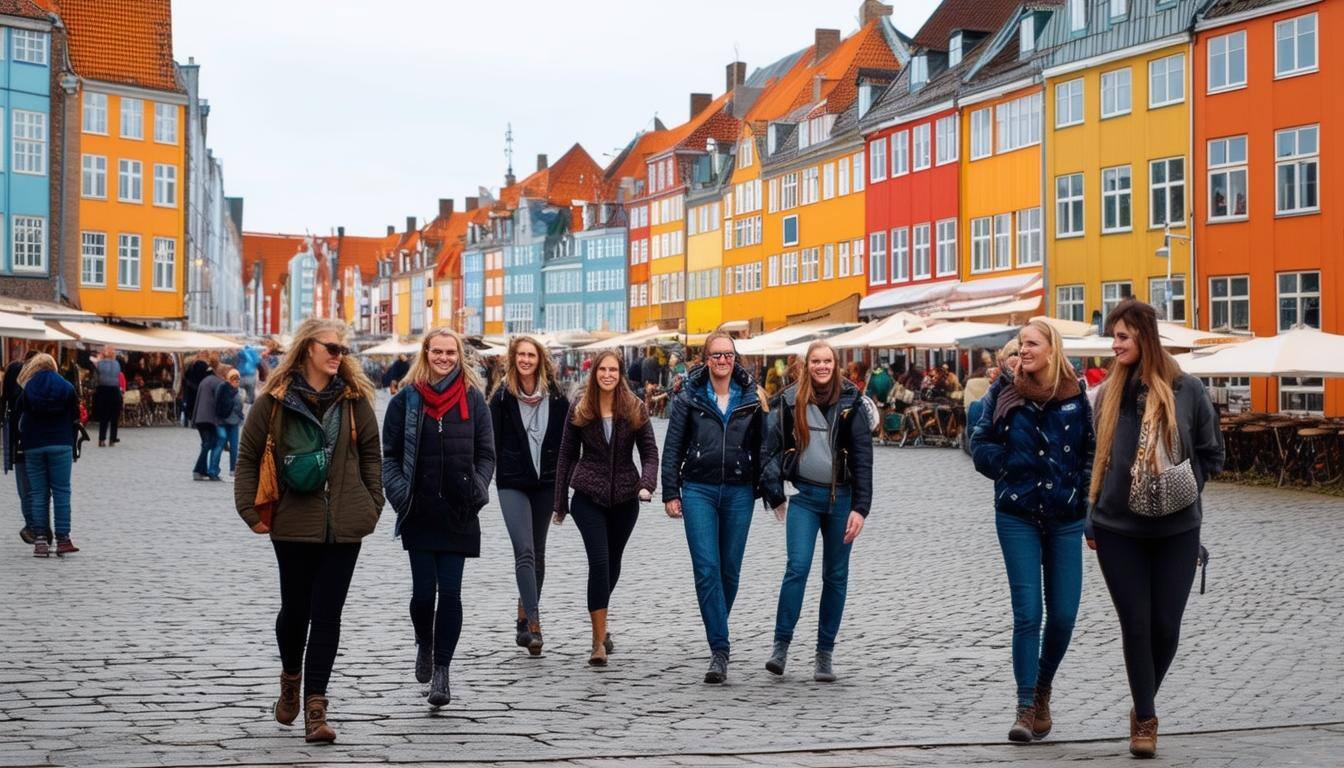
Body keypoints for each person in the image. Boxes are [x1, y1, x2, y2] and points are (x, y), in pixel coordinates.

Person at [234, 318, 383, 744]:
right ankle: (290, 677)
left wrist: (371, 502)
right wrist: (249, 509)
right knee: (296, 610)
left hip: (344, 525)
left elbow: (372, 453)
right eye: (331, 348)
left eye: (343, 350)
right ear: (307, 350)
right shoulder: (275, 401)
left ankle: (316, 706)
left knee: (329, 614)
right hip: (293, 523)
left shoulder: (354, 401)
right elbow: (247, 456)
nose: (339, 356)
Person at [1087, 299, 1224, 759]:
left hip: (1177, 528)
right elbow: (1096, 459)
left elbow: (1212, 452)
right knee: (1137, 626)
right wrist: (1090, 509)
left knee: (1165, 626)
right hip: (1117, 528)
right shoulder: (1109, 393)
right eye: (1114, 336)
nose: (1115, 344)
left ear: (1145, 335)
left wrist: (1181, 486)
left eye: (1122, 336)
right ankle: (1145, 718)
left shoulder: (1188, 389)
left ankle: (1141, 702)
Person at [970, 322, 1094, 743]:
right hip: (1017, 513)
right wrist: (1005, 466)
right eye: (1021, 343)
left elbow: (1091, 450)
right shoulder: (1003, 391)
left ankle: (1043, 686)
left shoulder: (1076, 395)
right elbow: (979, 441)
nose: (1023, 350)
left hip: (1065, 515)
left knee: (1063, 615)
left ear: (1051, 349)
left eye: (1032, 344)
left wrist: (1081, 490)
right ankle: (1025, 706)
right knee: (1028, 614)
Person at [382, 328, 494, 709]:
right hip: (420, 509)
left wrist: (477, 490)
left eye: (451, 352)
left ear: (459, 356)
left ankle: (442, 672)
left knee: (450, 593)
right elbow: (389, 456)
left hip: (459, 510)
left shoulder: (474, 400)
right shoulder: (406, 400)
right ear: (425, 353)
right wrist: (401, 496)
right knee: (421, 594)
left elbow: (486, 453)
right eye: (438, 351)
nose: (444, 358)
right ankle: (424, 642)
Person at [760, 340, 873, 683]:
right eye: (816, 361)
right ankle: (781, 646)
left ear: (835, 365)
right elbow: (770, 447)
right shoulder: (790, 398)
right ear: (806, 365)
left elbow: (864, 457)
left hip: (842, 499)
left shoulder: (851, 401)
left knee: (835, 576)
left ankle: (824, 653)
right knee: (797, 567)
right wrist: (775, 493)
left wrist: (861, 509)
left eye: (827, 361)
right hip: (805, 497)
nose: (822, 366)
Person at [661, 331, 767, 683]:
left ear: (735, 359)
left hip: (738, 490)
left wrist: (769, 489)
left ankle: (716, 625)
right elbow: (673, 444)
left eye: (728, 355)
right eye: (716, 355)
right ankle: (720, 649)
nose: (723, 361)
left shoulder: (751, 396)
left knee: (729, 571)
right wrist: (669, 492)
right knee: (707, 567)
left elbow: (764, 447)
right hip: (698, 490)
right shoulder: (689, 396)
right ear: (705, 359)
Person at [553, 350, 658, 667]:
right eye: (603, 370)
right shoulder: (580, 406)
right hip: (588, 495)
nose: (608, 375)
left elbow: (650, 452)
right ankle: (597, 643)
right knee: (599, 562)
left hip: (626, 498)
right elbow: (566, 455)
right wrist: (560, 503)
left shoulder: (634, 407)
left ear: (620, 373)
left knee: (612, 564)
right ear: (595, 373)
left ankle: (603, 621)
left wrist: (646, 484)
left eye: (613, 370)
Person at [488, 335, 567, 656]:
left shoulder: (558, 398)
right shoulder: (501, 398)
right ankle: (534, 624)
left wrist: (564, 489)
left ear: (540, 359)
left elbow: (565, 445)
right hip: (512, 482)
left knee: (538, 551)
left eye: (531, 355)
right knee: (524, 550)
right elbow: (490, 442)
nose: (525, 360)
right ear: (513, 358)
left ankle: (522, 616)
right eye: (520, 354)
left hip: (546, 483)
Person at [14, 354, 80, 557]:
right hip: (61, 443)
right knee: (62, 491)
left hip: (33, 444)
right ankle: (63, 539)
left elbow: (18, 415)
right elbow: (75, 415)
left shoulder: (28, 388)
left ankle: (41, 541)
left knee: (38, 493)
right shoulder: (67, 387)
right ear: (53, 366)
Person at [4, 348, 39, 544]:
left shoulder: (14, 373)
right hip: (44, 440)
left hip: (20, 441)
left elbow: (7, 404)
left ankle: (33, 526)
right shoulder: (44, 380)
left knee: (26, 487)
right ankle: (43, 528)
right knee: (42, 488)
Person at [193, 365, 225, 481]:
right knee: (208, 444)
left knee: (207, 444)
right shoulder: (218, 382)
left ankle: (202, 470)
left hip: (200, 418)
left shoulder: (204, 381)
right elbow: (219, 401)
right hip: (209, 418)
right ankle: (198, 470)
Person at [213, 370, 245, 477]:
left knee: (227, 445)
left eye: (238, 380)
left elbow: (217, 403)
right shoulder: (236, 392)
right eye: (234, 380)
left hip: (224, 420)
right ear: (229, 379)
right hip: (229, 421)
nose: (236, 382)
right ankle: (231, 469)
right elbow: (239, 406)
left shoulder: (222, 388)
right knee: (230, 445)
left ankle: (220, 469)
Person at [92, 346, 122, 448]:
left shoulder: (99, 364)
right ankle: (112, 440)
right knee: (114, 417)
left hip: (103, 390)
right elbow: (117, 374)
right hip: (114, 390)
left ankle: (101, 440)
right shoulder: (117, 364)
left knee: (104, 417)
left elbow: (96, 378)